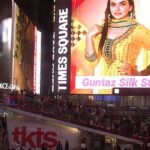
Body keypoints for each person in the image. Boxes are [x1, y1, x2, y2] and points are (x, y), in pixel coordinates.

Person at [72, 0, 150, 94]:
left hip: (126, 90)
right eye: (113, 4)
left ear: (130, 7)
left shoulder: (138, 30)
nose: (117, 8)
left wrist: (139, 74)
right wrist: (89, 37)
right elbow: (91, 63)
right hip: (104, 89)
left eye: (122, 4)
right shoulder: (102, 29)